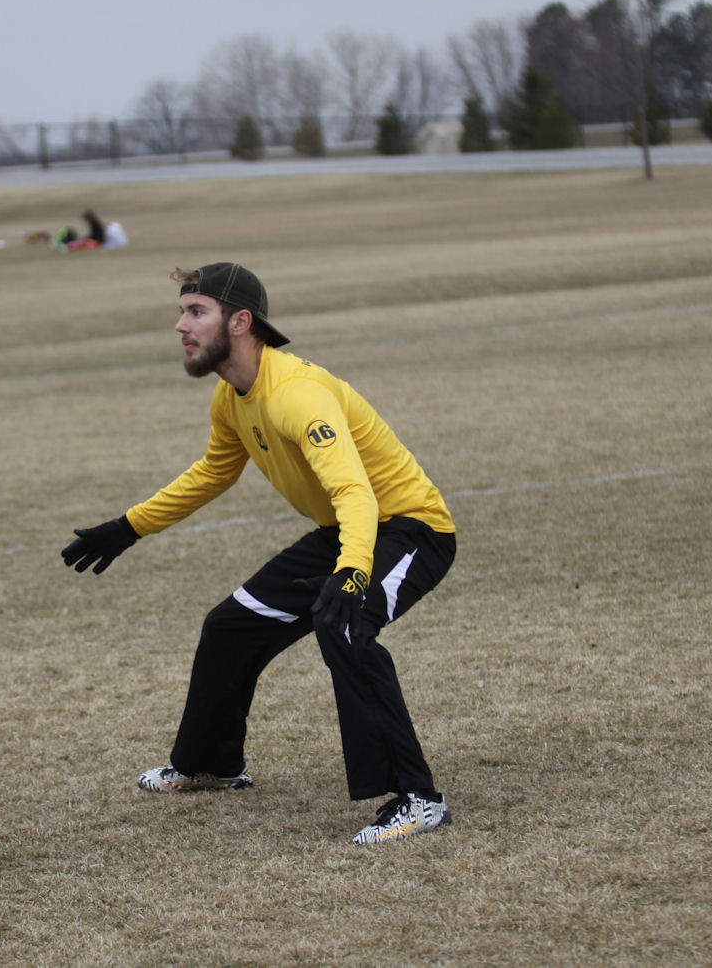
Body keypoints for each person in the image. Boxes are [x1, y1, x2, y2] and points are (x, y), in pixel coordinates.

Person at [61, 262, 458, 845]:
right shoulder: (231, 398)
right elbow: (212, 473)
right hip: (344, 531)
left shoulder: (297, 394)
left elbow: (355, 492)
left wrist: (352, 575)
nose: (181, 325)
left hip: (409, 530)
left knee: (345, 626)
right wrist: (128, 527)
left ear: (241, 322)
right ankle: (212, 765)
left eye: (196, 312)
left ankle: (418, 798)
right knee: (230, 626)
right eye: (182, 311)